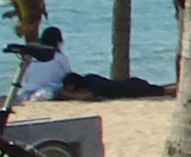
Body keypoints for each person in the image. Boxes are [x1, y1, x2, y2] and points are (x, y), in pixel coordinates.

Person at [17, 24, 165, 101]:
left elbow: (28, 77)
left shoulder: (33, 56)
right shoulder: (57, 56)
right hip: (52, 87)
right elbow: (68, 73)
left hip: (30, 87)